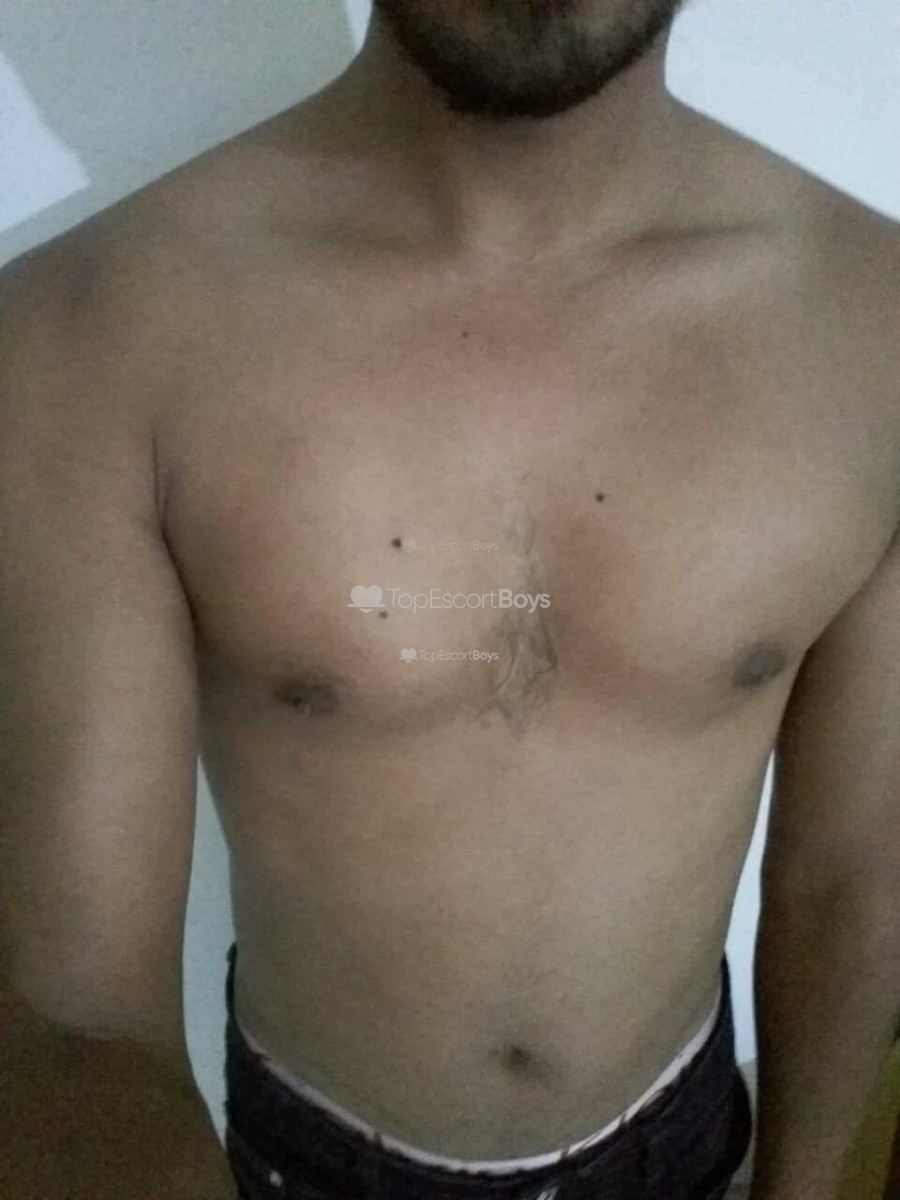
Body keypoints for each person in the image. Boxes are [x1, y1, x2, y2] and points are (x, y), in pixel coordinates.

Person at [2, 2, 899, 1198]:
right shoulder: (82, 338)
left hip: (694, 1143)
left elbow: (857, 875)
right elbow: (71, 1022)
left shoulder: (875, 333)